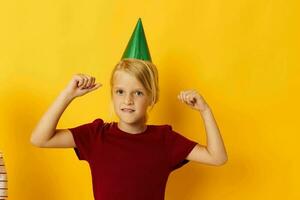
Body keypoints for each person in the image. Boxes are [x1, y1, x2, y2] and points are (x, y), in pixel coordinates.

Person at [30, 18, 227, 200]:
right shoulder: (96, 135)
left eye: (138, 93)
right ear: (112, 94)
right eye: (121, 91)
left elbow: (217, 157)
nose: (128, 100)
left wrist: (205, 111)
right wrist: (68, 95)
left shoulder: (165, 140)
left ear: (152, 97)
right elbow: (40, 139)